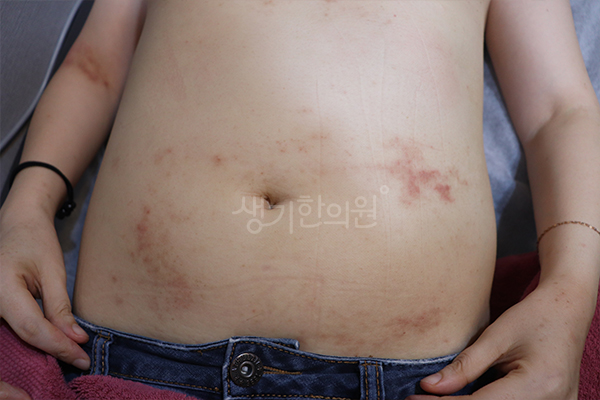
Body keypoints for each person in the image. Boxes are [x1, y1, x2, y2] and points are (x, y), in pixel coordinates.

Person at [1, 0, 599, 398]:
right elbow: (95, 66)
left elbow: (560, 111)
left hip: (414, 381)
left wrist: (570, 293)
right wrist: (26, 206)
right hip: (125, 364)